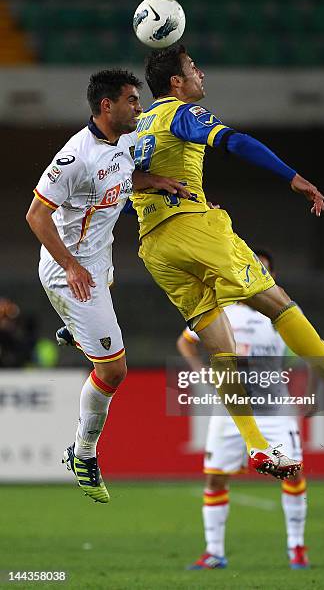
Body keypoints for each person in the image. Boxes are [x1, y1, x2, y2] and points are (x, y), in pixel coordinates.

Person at [130, 44, 324, 479]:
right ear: (175, 82)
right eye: (192, 68)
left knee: (220, 347)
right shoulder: (178, 113)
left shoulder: (138, 124)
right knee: (277, 302)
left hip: (154, 245)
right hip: (193, 230)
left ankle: (257, 446)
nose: (200, 74)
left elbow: (119, 175)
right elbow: (235, 141)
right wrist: (293, 177)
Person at [26, 68, 188, 503]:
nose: (139, 107)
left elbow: (115, 181)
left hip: (99, 262)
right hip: (71, 273)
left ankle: (76, 331)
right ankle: (82, 453)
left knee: (104, 344)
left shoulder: (123, 145)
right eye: (132, 100)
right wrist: (72, 267)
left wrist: (152, 181)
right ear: (106, 106)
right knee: (114, 370)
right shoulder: (74, 156)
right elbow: (36, 216)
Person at [177, 251, 310, 570]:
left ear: (272, 276)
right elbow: (185, 342)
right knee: (215, 479)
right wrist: (200, 372)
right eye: (250, 268)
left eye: (263, 269)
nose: (254, 274)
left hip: (273, 410)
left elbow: (304, 351)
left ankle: (297, 548)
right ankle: (214, 552)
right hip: (228, 412)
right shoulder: (218, 310)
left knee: (291, 472)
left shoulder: (282, 311)